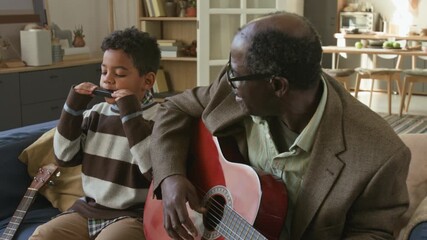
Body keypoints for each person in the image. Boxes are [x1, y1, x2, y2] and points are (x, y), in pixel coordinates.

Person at [149, 11, 411, 240]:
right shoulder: (237, 83)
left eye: (235, 75)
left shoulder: (381, 154)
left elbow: (373, 233)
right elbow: (174, 108)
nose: (229, 81)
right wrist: (171, 176)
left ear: (277, 86)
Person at [30, 27, 160, 240]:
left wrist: (130, 114)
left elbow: (153, 171)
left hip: (133, 215)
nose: (108, 80)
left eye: (119, 74)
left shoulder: (160, 119)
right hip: (88, 210)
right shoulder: (95, 114)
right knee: (43, 235)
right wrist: (73, 110)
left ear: (147, 81)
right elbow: (64, 157)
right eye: (103, 71)